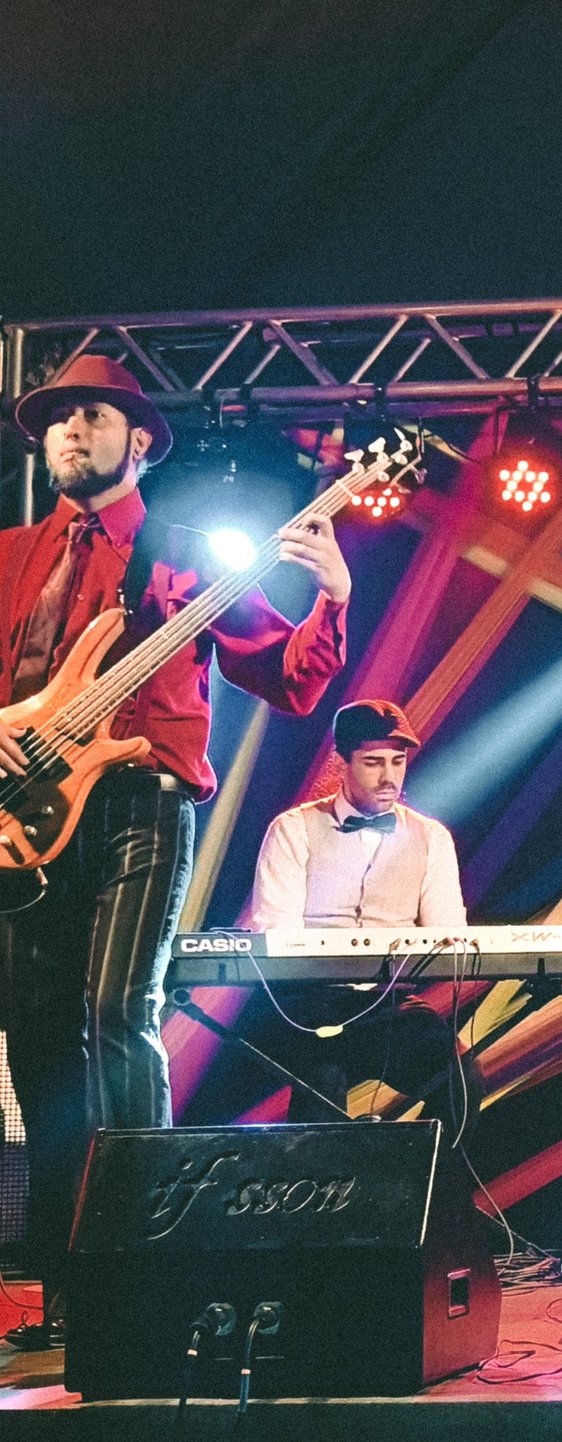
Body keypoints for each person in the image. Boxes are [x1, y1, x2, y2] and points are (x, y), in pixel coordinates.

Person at [0, 356, 350, 1348]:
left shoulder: (182, 556)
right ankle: (70, 1290)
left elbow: (286, 679)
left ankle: (148, 1274)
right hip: (21, 821)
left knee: (118, 1013)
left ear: (141, 440)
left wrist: (330, 597)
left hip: (139, 807)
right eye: (58, 417)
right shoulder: (10, 554)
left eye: (93, 413)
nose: (71, 429)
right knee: (36, 1041)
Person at [249, 699, 472, 1123]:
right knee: (322, 1086)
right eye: (373, 763)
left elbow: (447, 931)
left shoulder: (431, 837)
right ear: (341, 762)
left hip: (390, 1005)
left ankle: (428, 1169)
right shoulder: (293, 829)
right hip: (310, 1004)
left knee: (461, 1079)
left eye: (397, 762)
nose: (389, 777)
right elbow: (275, 935)